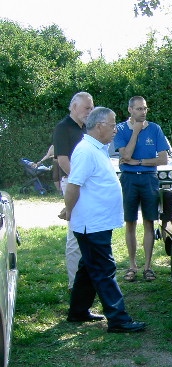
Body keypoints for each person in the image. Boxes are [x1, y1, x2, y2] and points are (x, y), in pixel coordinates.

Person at [64, 106, 146, 333]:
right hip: (92, 224)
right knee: (104, 269)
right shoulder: (86, 151)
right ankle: (118, 320)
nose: (115, 129)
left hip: (97, 222)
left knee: (88, 267)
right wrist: (68, 210)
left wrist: (69, 209)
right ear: (99, 126)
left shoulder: (96, 148)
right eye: (112, 125)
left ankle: (78, 311)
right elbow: (73, 185)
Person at [113, 96, 169, 282]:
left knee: (149, 222)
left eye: (145, 108)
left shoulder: (155, 129)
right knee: (130, 222)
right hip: (129, 179)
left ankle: (148, 267)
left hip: (149, 179)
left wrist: (139, 162)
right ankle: (132, 266)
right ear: (130, 110)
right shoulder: (121, 129)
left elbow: (163, 159)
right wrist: (136, 132)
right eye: (138, 109)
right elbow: (126, 155)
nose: (143, 112)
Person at [53, 92, 94, 289]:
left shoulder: (87, 128)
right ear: (74, 107)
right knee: (75, 232)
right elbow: (62, 161)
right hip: (72, 182)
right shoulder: (63, 128)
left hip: (86, 183)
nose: (90, 111)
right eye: (87, 108)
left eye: (92, 108)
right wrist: (79, 181)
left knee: (90, 230)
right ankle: (74, 284)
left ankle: (89, 280)